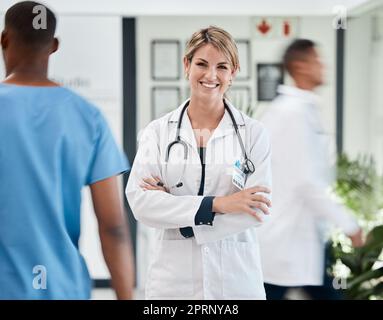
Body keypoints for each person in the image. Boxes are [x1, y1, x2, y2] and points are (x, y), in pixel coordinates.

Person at [0, 1, 134, 299]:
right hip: (63, 288)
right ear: (54, 46)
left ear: (4, 39)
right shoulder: (88, 117)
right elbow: (113, 228)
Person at [126, 26, 272, 300]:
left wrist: (178, 216)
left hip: (235, 283)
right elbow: (141, 203)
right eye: (202, 64)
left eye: (222, 67)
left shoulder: (253, 134)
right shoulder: (157, 133)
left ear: (234, 72)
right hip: (172, 285)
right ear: (187, 65)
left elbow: (256, 209)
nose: (211, 75)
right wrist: (217, 204)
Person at [257, 39, 364, 300]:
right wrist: (349, 225)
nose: (323, 65)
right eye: (317, 60)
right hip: (284, 237)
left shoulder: (300, 110)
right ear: (299, 66)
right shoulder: (292, 113)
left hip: (297, 239)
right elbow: (306, 183)